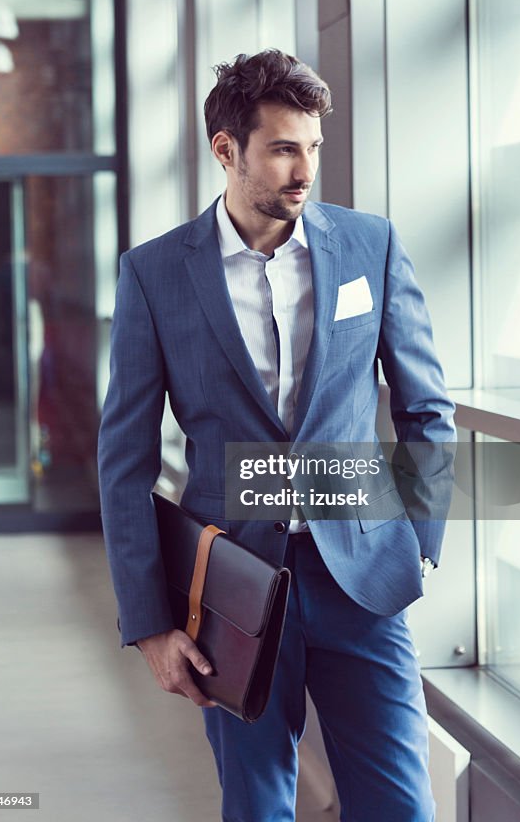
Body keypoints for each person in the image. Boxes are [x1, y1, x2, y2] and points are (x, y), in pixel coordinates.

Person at [98, 49, 456, 822]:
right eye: (283, 148)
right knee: (257, 807)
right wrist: (150, 623)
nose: (304, 170)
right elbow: (123, 462)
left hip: (363, 581)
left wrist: (419, 541)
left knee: (402, 806)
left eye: (313, 147)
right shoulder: (155, 275)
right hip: (232, 590)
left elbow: (426, 406)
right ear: (226, 150)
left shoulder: (370, 246)